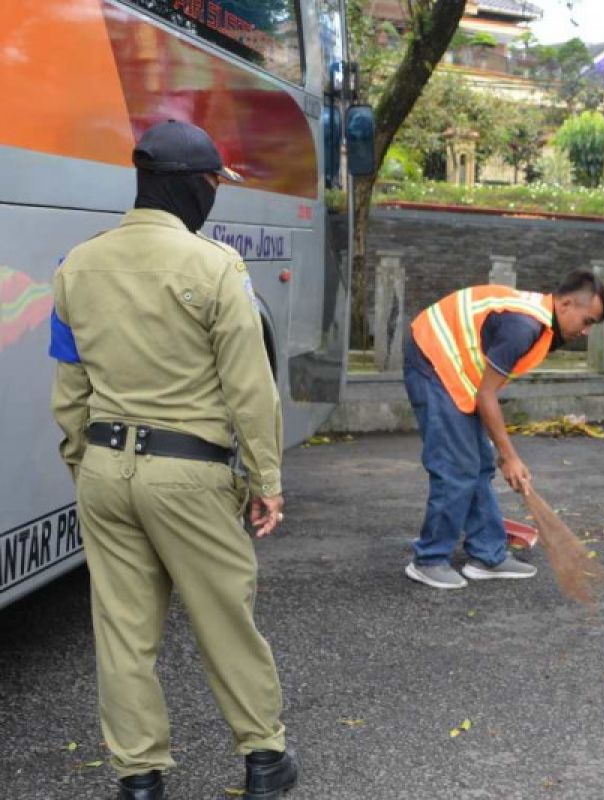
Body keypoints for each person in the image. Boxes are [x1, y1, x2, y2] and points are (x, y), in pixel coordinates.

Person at [50, 120, 298, 800]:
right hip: (191, 473)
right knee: (224, 618)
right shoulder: (217, 267)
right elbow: (251, 389)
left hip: (105, 470)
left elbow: (70, 388)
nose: (216, 193)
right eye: (215, 183)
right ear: (193, 187)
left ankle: (139, 779)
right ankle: (265, 761)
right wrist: (265, 480)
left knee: (123, 633)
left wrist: (85, 463)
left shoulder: (77, 265)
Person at [403, 270, 604, 590]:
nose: (586, 332)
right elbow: (486, 395)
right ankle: (429, 559)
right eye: (588, 321)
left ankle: (487, 555)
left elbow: (486, 388)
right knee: (457, 466)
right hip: (431, 357)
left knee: (479, 463)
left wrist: (499, 454)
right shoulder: (523, 326)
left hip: (456, 367)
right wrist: (510, 456)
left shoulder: (540, 323)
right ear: (566, 304)